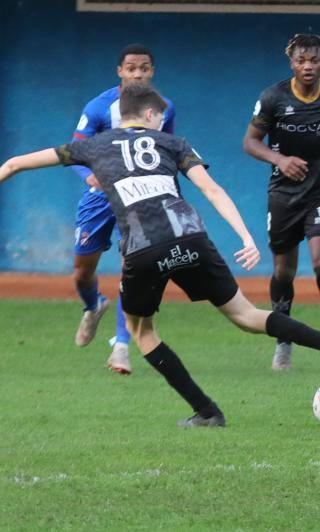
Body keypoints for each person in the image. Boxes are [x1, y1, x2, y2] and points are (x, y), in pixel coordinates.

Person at [0, 84, 320, 428]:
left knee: (141, 331)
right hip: (192, 238)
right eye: (160, 116)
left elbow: (15, 164)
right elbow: (212, 189)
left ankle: (207, 411)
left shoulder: (93, 146)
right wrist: (245, 236)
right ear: (151, 114)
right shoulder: (173, 143)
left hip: (143, 249)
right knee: (247, 315)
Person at [243, 33, 320, 371]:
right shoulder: (273, 98)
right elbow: (250, 142)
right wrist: (279, 160)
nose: (308, 66)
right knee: (284, 270)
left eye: (314, 60)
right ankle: (284, 342)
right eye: (301, 60)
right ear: (292, 63)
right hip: (283, 194)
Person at [70, 43, 176, 375]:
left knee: (131, 268)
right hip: (100, 200)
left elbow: (167, 154)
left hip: (138, 200)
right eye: (131, 68)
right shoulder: (100, 106)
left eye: (144, 67)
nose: (138, 73)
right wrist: (91, 179)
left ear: (152, 71)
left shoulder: (164, 108)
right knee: (82, 271)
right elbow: (75, 151)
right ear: (120, 71)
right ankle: (93, 305)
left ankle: (121, 347)